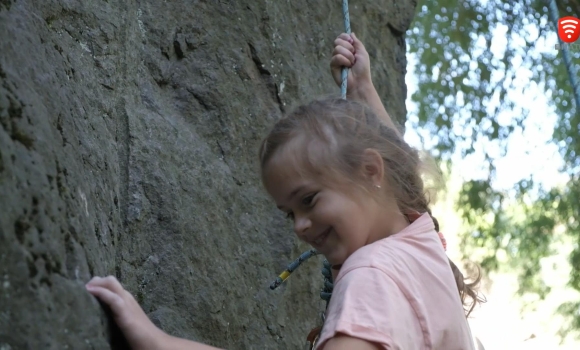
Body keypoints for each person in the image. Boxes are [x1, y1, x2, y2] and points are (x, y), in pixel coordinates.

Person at [86, 33, 483, 350]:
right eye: (289, 213)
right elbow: (401, 174)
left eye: (309, 200)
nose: (300, 226)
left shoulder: (372, 277)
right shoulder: (419, 241)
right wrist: (363, 88)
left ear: (369, 171)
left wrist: (158, 341)